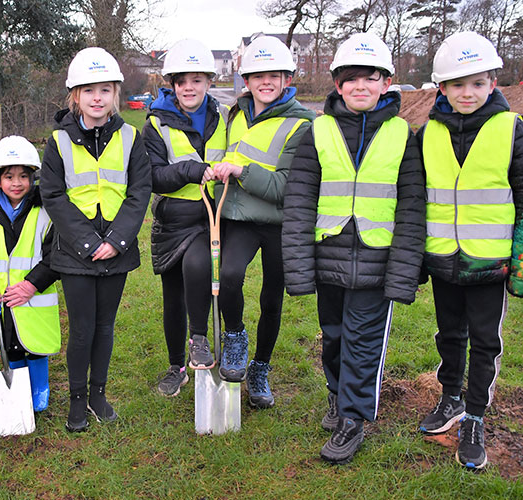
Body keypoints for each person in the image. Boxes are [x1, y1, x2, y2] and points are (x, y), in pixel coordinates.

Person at [282, 33, 426, 464]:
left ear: (386, 83)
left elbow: (412, 207)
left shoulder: (404, 135)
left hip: (378, 262)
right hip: (329, 257)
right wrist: (299, 267)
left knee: (363, 343)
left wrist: (403, 272)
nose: (361, 86)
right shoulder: (318, 131)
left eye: (371, 78)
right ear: (338, 84)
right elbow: (300, 200)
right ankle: (335, 395)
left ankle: (353, 419)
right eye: (351, 79)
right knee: (334, 337)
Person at [416, 31, 523, 469]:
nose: (468, 93)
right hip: (444, 261)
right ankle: (450, 400)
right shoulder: (427, 134)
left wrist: (521, 265)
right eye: (458, 84)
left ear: (493, 84)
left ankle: (475, 417)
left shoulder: (513, 130)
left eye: (478, 83)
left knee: (484, 342)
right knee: (449, 336)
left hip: (491, 264)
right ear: (441, 88)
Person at [40, 47, 151, 431]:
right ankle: (76, 399)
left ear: (115, 93)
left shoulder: (131, 137)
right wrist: (88, 243)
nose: (97, 98)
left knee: (106, 326)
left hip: (116, 249)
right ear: (76, 96)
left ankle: (98, 394)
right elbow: (52, 195)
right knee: (82, 328)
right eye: (89, 91)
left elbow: (140, 192)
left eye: (104, 89)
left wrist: (117, 240)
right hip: (76, 252)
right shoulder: (57, 142)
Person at [211, 36, 316, 408]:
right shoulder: (236, 114)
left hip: (281, 223)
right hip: (240, 216)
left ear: (287, 79)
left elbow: (286, 187)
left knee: (272, 298)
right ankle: (236, 337)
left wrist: (240, 170)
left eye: (274, 75)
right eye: (258, 76)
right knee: (229, 278)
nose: (266, 82)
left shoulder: (303, 125)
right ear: (246, 79)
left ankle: (260, 368)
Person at [143, 39, 228, 397]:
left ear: (209, 82)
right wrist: (192, 170)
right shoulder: (156, 122)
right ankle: (176, 366)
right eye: (182, 81)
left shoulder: (225, 117)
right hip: (173, 219)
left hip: (212, 217)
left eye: (197, 80)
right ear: (172, 85)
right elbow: (154, 176)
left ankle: (199, 338)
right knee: (173, 296)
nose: (189, 88)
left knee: (198, 266)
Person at [0, 135, 60, 412]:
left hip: (33, 297)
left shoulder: (45, 212)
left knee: (35, 345)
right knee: (10, 344)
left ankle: (40, 386)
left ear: (33, 178)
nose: (16, 183)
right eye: (9, 177)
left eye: (23, 176)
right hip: (2, 299)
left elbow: (56, 255)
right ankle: (16, 387)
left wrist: (32, 284)